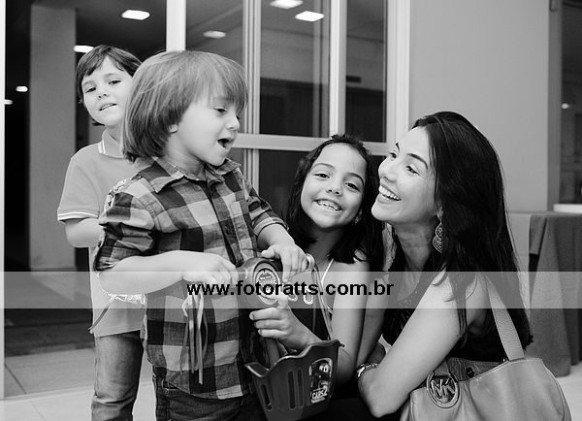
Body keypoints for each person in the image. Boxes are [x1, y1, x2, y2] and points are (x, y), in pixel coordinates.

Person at [93, 50, 309, 421]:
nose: (235, 123)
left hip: (256, 365)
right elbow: (112, 273)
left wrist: (282, 241)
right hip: (194, 386)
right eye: (221, 110)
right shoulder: (139, 195)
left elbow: (259, 214)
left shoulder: (231, 176)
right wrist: (181, 263)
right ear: (170, 118)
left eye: (236, 113)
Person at [327, 111, 532, 419]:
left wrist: (370, 368)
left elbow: (381, 396)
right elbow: (353, 355)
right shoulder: (393, 262)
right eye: (394, 154)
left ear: (445, 204)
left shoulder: (463, 282)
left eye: (411, 168)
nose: (386, 171)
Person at [249, 134, 385, 386]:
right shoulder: (277, 242)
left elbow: (344, 367)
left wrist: (298, 334)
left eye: (352, 185)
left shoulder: (352, 267)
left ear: (360, 211)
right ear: (302, 184)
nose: (335, 188)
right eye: (323, 174)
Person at [56, 45, 144, 421]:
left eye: (113, 81)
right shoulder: (86, 160)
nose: (102, 92)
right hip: (116, 306)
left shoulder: (170, 153)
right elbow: (76, 231)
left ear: (142, 85)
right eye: (91, 88)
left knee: (178, 395)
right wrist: (133, 230)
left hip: (174, 305)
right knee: (112, 400)